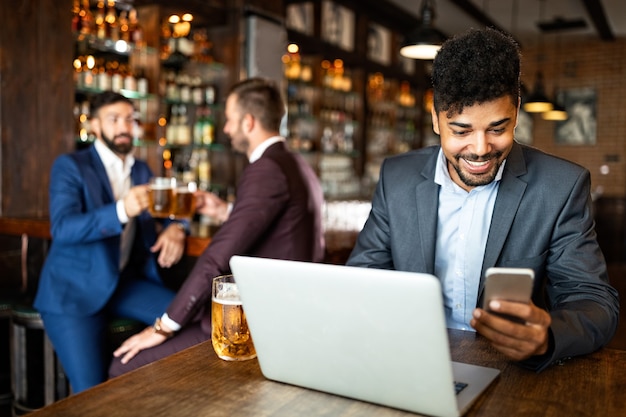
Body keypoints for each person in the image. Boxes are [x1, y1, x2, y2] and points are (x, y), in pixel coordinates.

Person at [346, 28, 619, 371]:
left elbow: (594, 303)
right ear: (435, 118)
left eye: (497, 128)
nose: (480, 149)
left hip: (507, 372)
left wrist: (548, 335)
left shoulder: (561, 187)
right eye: (461, 131)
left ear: (517, 112)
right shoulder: (396, 178)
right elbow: (362, 277)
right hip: (409, 363)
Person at [109, 77, 325, 375]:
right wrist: (226, 211)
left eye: (229, 120)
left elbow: (216, 257)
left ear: (248, 122)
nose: (225, 128)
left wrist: (163, 326)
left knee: (123, 367)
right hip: (291, 311)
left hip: (255, 322)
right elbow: (281, 226)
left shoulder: (266, 169)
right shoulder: (294, 162)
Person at [34, 91, 187, 392]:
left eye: (130, 119)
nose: (124, 127)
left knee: (187, 318)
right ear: (94, 125)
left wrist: (177, 228)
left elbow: (171, 207)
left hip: (124, 284)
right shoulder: (70, 166)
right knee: (92, 393)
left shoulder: (142, 169)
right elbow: (63, 228)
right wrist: (121, 210)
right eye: (114, 119)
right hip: (74, 291)